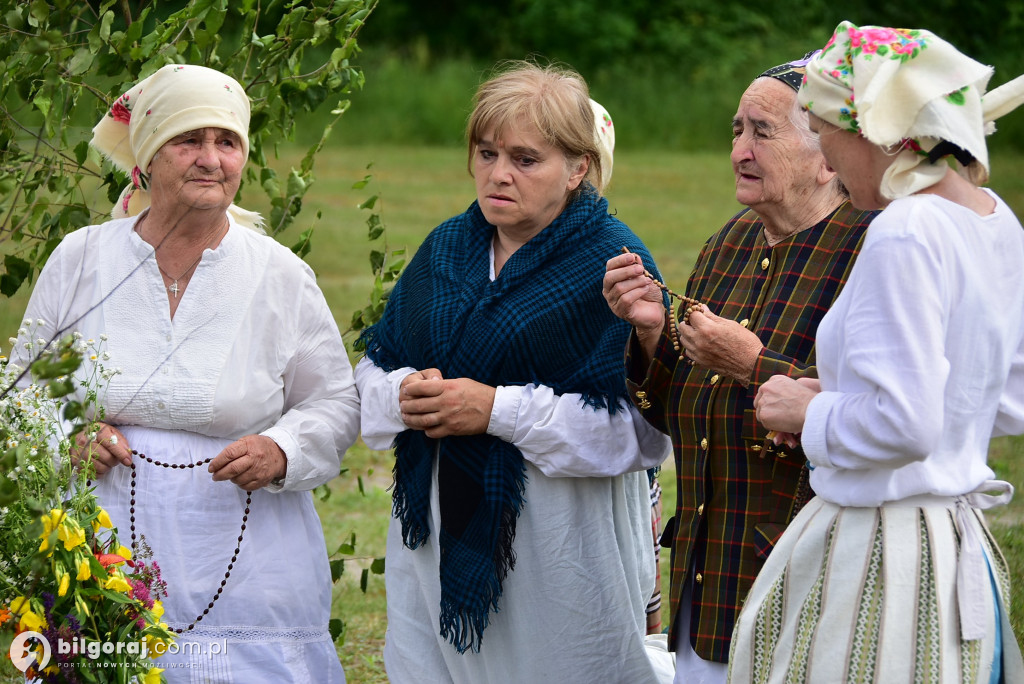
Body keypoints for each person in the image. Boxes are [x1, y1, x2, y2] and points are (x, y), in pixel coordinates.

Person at [12, 64, 360, 682]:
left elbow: (334, 404)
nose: (210, 159)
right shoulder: (82, 258)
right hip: (101, 555)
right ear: (147, 156)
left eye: (227, 143)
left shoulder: (279, 275)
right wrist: (68, 435)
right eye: (188, 140)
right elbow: (25, 393)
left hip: (250, 563)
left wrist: (281, 450)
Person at [355, 61, 673, 683]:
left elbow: (641, 434)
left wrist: (495, 409)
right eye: (486, 152)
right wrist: (403, 395)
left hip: (560, 545)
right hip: (435, 535)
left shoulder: (611, 261)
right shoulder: (448, 247)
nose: (498, 174)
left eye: (526, 159)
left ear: (578, 167)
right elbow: (371, 372)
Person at [730, 22, 1024, 683]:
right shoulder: (991, 217)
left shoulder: (907, 229)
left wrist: (810, 411)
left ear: (878, 129)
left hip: (884, 556)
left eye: (827, 129)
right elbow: (1007, 398)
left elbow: (905, 424)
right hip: (949, 553)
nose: (827, 157)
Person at [603, 53, 880, 683]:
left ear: (828, 152)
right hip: (708, 582)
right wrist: (651, 333)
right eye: (736, 129)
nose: (740, 151)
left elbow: (872, 419)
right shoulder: (731, 242)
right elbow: (679, 413)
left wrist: (753, 365)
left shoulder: (872, 246)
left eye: (763, 131)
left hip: (807, 586)